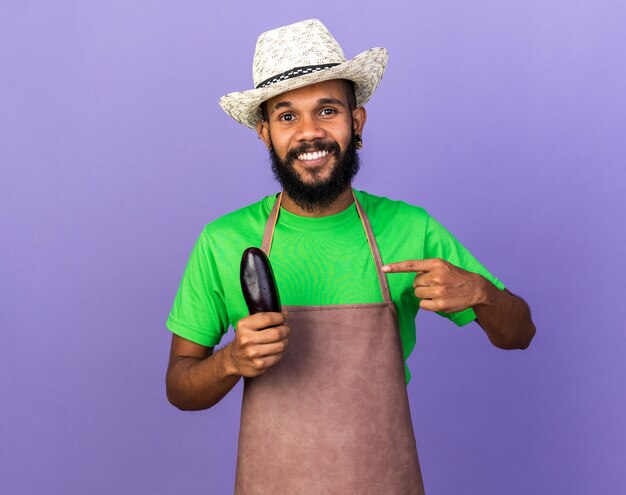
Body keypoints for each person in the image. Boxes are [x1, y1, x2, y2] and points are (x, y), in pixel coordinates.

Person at [165, 19, 535, 494]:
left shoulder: (409, 228)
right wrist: (231, 361)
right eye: (286, 116)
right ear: (265, 135)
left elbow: (520, 334)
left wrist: (482, 294)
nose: (309, 133)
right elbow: (180, 387)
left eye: (326, 110)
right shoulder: (223, 240)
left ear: (355, 122)